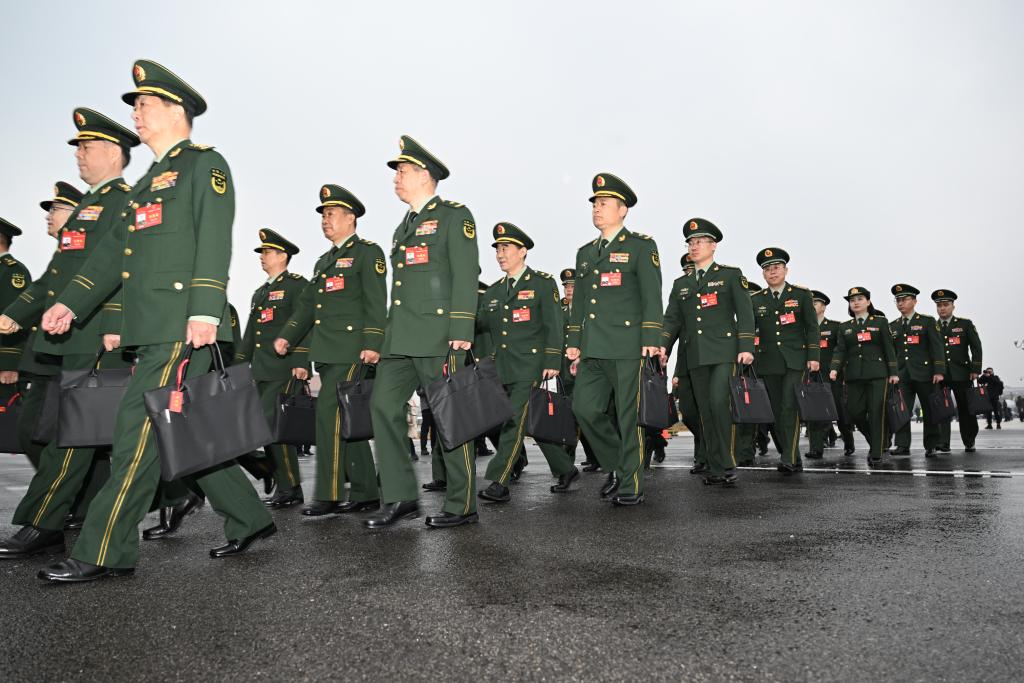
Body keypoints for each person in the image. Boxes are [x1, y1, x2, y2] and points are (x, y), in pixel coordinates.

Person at [36, 59, 275, 582]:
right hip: (150, 328)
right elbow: (110, 256)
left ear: (175, 110)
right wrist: (70, 303)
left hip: (180, 324)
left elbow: (214, 236)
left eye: (144, 104)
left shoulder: (203, 165)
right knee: (182, 430)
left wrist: (205, 309)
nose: (136, 115)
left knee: (136, 434)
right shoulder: (146, 183)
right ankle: (250, 516)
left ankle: (103, 550)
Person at [0, 108, 142, 561]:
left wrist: (116, 324)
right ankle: (51, 522)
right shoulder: (86, 209)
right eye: (78, 147)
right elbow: (53, 277)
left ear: (114, 153)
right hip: (75, 335)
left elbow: (127, 267)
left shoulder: (123, 201)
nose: (79, 154)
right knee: (79, 435)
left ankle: (43, 524)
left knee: (76, 435)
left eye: (87, 146)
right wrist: (15, 314)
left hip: (98, 336)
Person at [365, 136, 480, 529]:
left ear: (425, 175)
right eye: (396, 172)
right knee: (382, 406)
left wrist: (462, 326)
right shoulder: (403, 227)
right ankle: (400, 497)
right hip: (400, 338)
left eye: (402, 171)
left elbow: (466, 272)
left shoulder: (453, 216)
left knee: (450, 418)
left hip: (438, 334)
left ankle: (462, 503)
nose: (396, 178)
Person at [276, 185, 386, 515]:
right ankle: (366, 492)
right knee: (349, 421)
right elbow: (308, 306)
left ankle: (329, 494)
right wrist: (287, 336)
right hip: (327, 352)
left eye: (331, 213)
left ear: (351, 218)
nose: (325, 219)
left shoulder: (367, 253)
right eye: (323, 215)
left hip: (352, 350)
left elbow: (376, 300)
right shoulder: (324, 261)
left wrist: (373, 342)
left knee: (329, 417)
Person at [565, 173, 663, 506]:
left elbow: (652, 294)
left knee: (628, 417)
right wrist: (574, 339)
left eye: (604, 203)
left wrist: (651, 336)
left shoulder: (640, 246)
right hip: (593, 347)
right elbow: (580, 302)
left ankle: (631, 484)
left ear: (622, 210)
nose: (597, 208)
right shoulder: (585, 253)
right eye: (594, 203)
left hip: (627, 345)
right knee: (584, 408)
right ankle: (620, 466)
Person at [476, 222, 575, 503]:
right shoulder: (493, 292)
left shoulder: (542, 284)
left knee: (513, 421)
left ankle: (500, 480)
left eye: (505, 248)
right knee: (529, 422)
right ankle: (566, 468)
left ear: (522, 251)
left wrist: (552, 358)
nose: (500, 254)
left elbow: (554, 324)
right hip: (502, 368)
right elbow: (477, 324)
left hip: (530, 366)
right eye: (497, 249)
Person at [665, 218, 755, 486]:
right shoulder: (681, 284)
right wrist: (663, 346)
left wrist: (746, 347)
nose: (694, 246)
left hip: (724, 352)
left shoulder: (730, 275)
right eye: (690, 242)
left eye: (700, 242)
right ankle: (717, 468)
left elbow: (745, 313)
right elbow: (672, 320)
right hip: (696, 355)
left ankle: (727, 462)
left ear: (713, 245)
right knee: (705, 411)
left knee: (718, 403)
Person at [236, 229, 311, 508]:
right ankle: (282, 482)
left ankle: (290, 487)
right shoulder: (260, 293)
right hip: (261, 370)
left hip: (284, 368)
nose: (262, 257)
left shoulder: (296, 286)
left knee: (275, 426)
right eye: (262, 253)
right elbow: (250, 335)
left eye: (267, 252)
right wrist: (236, 368)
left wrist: (301, 360)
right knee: (264, 427)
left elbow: (306, 322)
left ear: (282, 256)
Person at [13, 182, 84, 472]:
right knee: (47, 435)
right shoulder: (64, 252)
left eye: (56, 209)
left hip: (63, 356)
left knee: (46, 434)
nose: (48, 215)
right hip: (47, 357)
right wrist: (12, 316)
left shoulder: (82, 250)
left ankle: (63, 493)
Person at [748, 248, 819, 473]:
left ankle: (787, 457)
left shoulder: (801, 295)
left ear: (786, 270)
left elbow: (812, 327)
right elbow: (749, 330)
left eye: (776, 267)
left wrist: (814, 356)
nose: (772, 272)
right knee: (776, 412)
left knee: (790, 406)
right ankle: (793, 456)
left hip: (795, 360)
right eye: (767, 269)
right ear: (763, 274)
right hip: (768, 362)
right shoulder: (756, 299)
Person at [828, 287, 899, 467]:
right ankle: (876, 441)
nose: (856, 303)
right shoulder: (845, 327)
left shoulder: (880, 322)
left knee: (876, 413)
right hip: (854, 376)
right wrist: (834, 368)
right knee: (854, 412)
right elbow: (840, 350)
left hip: (877, 374)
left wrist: (893, 372)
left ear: (868, 302)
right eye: (852, 300)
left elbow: (889, 348)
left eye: (860, 299)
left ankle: (876, 453)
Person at [888, 284, 945, 457]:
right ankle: (902, 444)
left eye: (904, 299)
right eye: (898, 300)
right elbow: (892, 352)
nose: (900, 303)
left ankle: (932, 444)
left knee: (929, 409)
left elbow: (937, 347)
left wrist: (939, 370)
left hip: (925, 373)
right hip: (902, 375)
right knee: (902, 410)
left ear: (914, 301)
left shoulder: (927, 321)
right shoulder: (893, 325)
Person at [665, 254, 706, 472]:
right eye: (686, 270)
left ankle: (704, 456)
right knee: (689, 413)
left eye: (692, 269)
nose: (689, 273)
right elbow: (672, 329)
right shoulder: (681, 298)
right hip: (685, 364)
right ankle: (707, 447)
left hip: (709, 361)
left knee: (708, 411)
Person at [932, 289, 983, 453]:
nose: (942, 308)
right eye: (939, 305)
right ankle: (943, 442)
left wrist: (975, 369)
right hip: (940, 375)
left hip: (962, 373)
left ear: (953, 306)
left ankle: (969, 440)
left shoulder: (965, 324)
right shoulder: (932, 326)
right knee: (942, 409)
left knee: (966, 408)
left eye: (945, 305)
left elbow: (976, 347)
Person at [806, 291, 855, 457]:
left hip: (831, 377)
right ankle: (816, 448)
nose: (812, 307)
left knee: (839, 412)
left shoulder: (834, 327)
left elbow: (841, 351)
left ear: (823, 307)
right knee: (814, 413)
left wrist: (838, 371)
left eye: (815, 304)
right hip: (811, 377)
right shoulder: (803, 328)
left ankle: (848, 440)